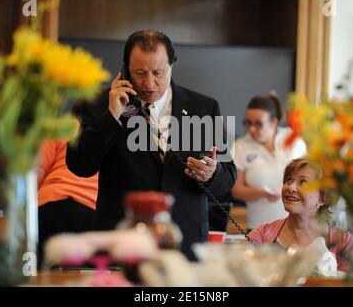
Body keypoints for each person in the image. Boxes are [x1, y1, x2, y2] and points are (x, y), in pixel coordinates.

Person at [66, 30, 237, 261]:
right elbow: (79, 165)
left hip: (185, 242)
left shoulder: (204, 107)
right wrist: (111, 117)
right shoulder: (99, 104)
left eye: (158, 73)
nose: (149, 83)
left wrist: (211, 174)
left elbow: (229, 176)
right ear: (125, 69)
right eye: (140, 73)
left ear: (172, 67)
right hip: (122, 240)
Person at [248, 158, 353, 272]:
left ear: (322, 197)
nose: (290, 187)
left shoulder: (343, 241)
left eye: (303, 182)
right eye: (288, 180)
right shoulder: (261, 236)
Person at [232, 93, 307, 231]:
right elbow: (236, 190)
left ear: (274, 121)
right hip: (259, 231)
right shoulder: (241, 146)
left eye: (258, 123)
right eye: (248, 123)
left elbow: (310, 182)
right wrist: (263, 193)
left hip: (297, 229)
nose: (251, 129)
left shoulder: (293, 140)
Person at [38, 139, 98, 265]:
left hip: (51, 203)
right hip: (91, 209)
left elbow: (37, 170)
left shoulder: (61, 127)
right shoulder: (112, 132)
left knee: (35, 268)